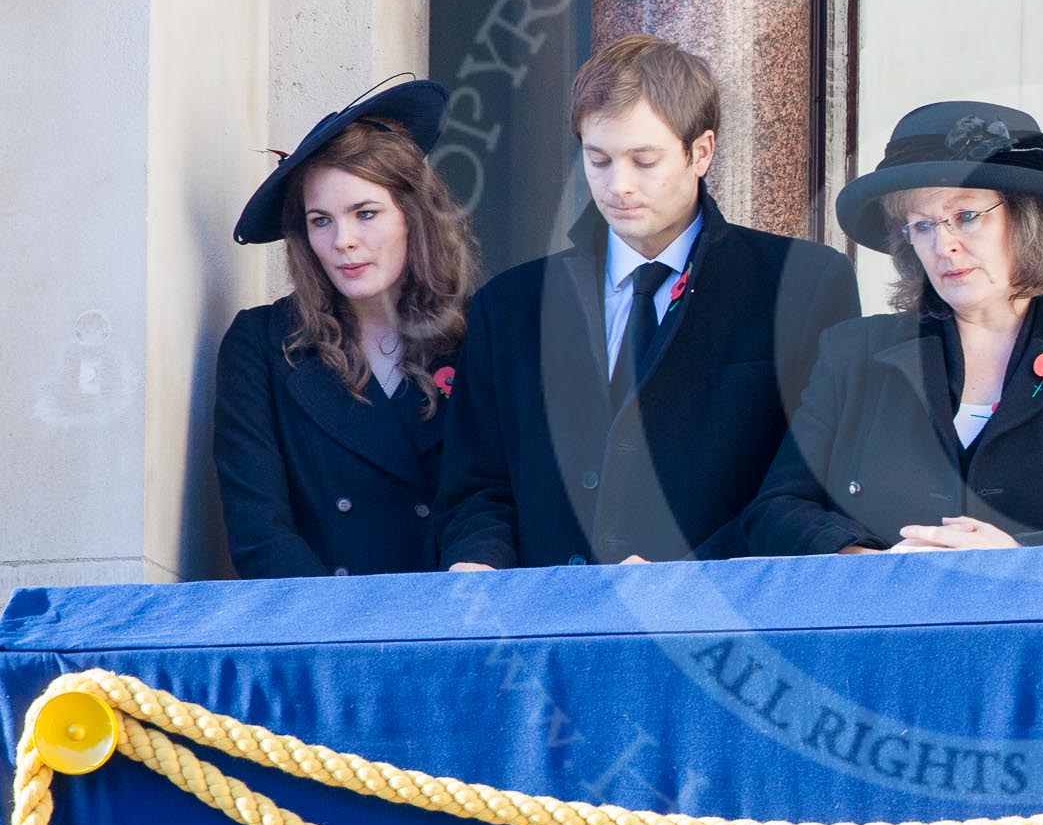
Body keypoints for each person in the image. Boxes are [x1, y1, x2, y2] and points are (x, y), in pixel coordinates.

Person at [435, 35, 859, 568]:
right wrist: (480, 567)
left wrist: (683, 580)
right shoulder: (509, 306)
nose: (619, 186)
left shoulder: (804, 283)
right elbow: (476, 488)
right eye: (599, 160)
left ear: (700, 152)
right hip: (550, 630)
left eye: (644, 160)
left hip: (722, 627)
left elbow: (810, 485)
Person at [743, 101, 1043, 555]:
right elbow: (776, 511)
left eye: (966, 217)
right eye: (921, 226)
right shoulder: (852, 351)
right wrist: (865, 561)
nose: (944, 246)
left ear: (1027, 220)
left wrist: (1022, 558)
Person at [215, 79, 477, 577]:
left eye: (366, 213)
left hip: (450, 629)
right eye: (321, 221)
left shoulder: (478, 335)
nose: (344, 241)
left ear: (413, 215)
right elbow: (259, 533)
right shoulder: (262, 345)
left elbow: (495, 505)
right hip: (320, 633)